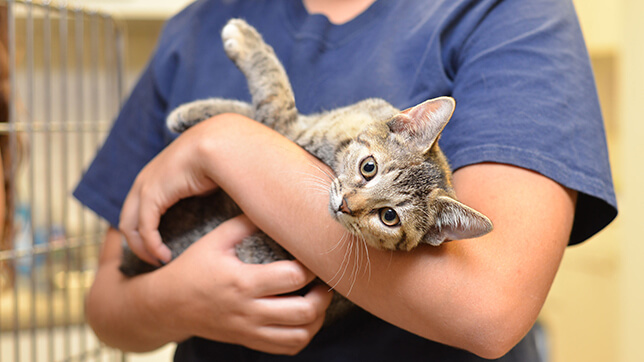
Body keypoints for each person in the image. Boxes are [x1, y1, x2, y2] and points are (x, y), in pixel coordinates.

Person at [73, 0, 617, 360]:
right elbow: (105, 303)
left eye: (381, 210)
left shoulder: (509, 12)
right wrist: (177, 302)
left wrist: (222, 144)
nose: (356, 203)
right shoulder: (193, 27)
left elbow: (491, 310)